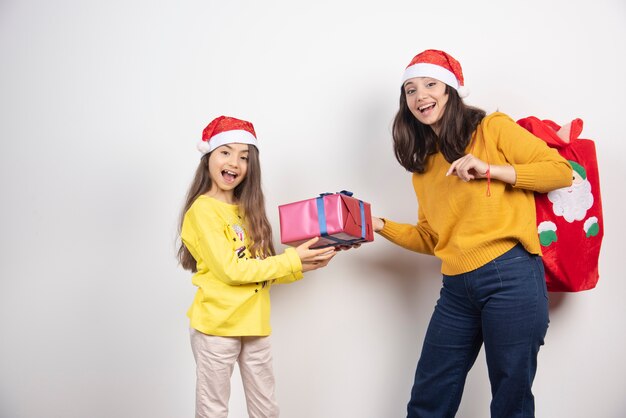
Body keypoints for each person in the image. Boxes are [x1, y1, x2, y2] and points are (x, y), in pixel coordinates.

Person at [372, 50, 572, 418]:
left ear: (450, 90)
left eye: (430, 84)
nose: (420, 97)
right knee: (428, 397)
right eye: (411, 90)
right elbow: (434, 239)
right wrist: (381, 226)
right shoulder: (425, 166)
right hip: (456, 289)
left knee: (510, 399)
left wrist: (492, 170)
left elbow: (560, 172)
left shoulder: (491, 128)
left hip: (510, 276)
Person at [177, 115, 336, 418]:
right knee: (213, 409)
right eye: (226, 152)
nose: (235, 162)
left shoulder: (246, 209)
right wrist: (291, 259)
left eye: (244, 156)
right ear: (208, 156)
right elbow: (232, 271)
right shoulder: (202, 211)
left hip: (255, 325)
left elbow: (260, 269)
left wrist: (304, 263)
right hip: (217, 328)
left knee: (266, 408)